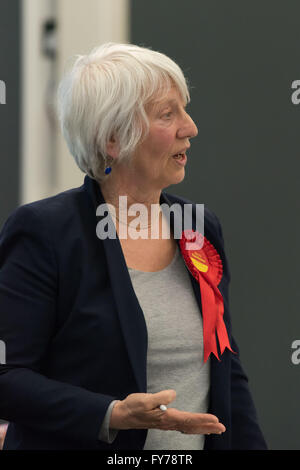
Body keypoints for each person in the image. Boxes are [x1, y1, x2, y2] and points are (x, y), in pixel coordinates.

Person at [0, 43, 267, 450]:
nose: (190, 127)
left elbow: (227, 371)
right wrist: (111, 415)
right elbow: (8, 377)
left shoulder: (197, 226)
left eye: (185, 108)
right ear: (113, 139)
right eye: (167, 114)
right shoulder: (45, 232)